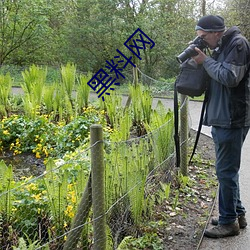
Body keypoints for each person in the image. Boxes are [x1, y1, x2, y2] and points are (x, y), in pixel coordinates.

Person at [192, 15, 250, 238]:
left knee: (225, 171)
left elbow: (229, 77)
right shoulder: (221, 46)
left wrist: (205, 61)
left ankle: (228, 223)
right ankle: (237, 214)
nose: (203, 41)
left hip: (232, 118)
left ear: (216, 32)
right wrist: (202, 60)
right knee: (227, 171)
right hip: (222, 117)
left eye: (204, 37)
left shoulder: (238, 44)